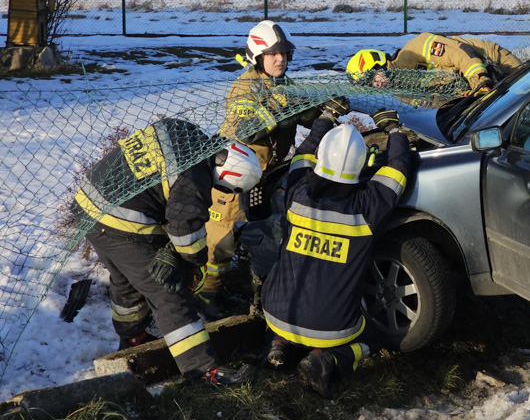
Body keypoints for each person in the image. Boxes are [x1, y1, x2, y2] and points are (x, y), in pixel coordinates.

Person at [73, 118, 263, 386]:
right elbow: (186, 232)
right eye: (224, 189)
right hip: (119, 220)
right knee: (168, 291)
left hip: (88, 206)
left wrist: (171, 249)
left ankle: (133, 338)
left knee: (127, 279)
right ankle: (202, 371)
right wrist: (192, 263)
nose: (218, 192)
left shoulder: (187, 134)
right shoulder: (196, 174)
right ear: (227, 176)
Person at [260, 107, 413, 398]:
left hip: (276, 311)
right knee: (378, 337)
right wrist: (394, 130)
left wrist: (326, 117)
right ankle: (329, 359)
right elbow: (398, 169)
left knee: (289, 306)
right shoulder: (368, 206)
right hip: (331, 327)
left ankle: (277, 345)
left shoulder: (297, 192)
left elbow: (302, 155)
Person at [200, 20, 348, 320]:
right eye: (272, 54)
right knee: (221, 240)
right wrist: (289, 109)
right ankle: (208, 296)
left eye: (284, 53)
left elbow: (305, 113)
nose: (280, 59)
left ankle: (260, 282)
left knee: (269, 230)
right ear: (257, 57)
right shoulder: (244, 86)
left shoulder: (286, 86)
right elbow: (251, 128)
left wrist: (326, 108)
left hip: (271, 174)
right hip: (234, 179)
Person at [346, 33, 523, 93]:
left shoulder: (415, 48)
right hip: (476, 86)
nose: (376, 84)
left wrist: (481, 82)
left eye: (372, 77)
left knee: (528, 89)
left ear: (379, 65)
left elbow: (460, 54)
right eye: (369, 84)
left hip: (495, 62)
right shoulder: (401, 92)